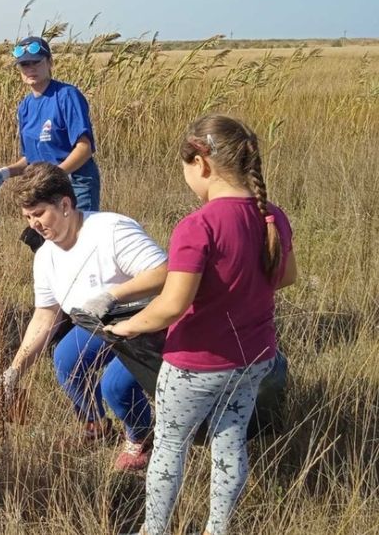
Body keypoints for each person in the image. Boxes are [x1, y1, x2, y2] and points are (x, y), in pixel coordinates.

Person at [109, 114, 297, 535]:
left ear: (203, 163)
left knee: (170, 447)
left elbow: (172, 306)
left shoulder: (199, 225)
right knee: (229, 442)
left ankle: (153, 529)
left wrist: (127, 327)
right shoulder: (272, 217)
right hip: (253, 359)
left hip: (195, 364)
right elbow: (286, 277)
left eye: (186, 168)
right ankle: (218, 528)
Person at [0, 163, 167, 471]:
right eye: (27, 217)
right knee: (65, 359)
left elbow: (165, 273)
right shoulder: (46, 256)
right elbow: (45, 317)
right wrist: (15, 370)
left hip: (147, 316)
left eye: (39, 214)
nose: (34, 224)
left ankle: (141, 435)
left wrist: (114, 295)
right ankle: (96, 427)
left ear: (64, 204)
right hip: (97, 323)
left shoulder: (111, 230)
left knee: (115, 386)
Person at [0, 36, 102, 212]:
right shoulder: (25, 106)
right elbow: (29, 159)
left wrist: (54, 175)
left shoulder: (66, 95)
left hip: (74, 185)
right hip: (43, 188)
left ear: (50, 62)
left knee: (77, 238)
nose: (31, 69)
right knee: (47, 238)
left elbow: (84, 148)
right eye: (25, 65)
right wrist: (4, 173)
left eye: (36, 63)